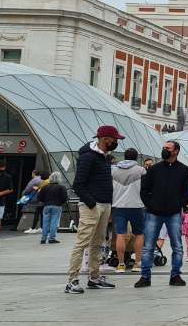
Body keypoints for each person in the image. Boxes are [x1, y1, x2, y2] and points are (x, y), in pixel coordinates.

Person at [65, 126, 123, 294]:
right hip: (92, 205)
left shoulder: (104, 157)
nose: (116, 142)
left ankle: (94, 277)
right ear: (105, 139)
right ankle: (72, 280)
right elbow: (78, 184)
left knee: (98, 243)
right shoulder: (88, 157)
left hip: (104, 204)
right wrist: (91, 203)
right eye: (115, 139)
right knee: (82, 243)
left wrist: (108, 204)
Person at [135, 139, 188, 288]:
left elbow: (187, 191)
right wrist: (150, 204)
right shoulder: (154, 169)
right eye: (164, 147)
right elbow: (144, 189)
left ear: (176, 151)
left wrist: (180, 204)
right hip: (153, 213)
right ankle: (145, 276)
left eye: (168, 148)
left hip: (174, 213)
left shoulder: (184, 170)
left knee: (177, 246)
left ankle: (175, 275)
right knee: (148, 246)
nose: (164, 150)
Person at [110, 148, 146, 273]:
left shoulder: (113, 170)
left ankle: (121, 264)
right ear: (136, 157)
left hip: (119, 206)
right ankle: (137, 263)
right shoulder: (141, 170)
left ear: (124, 157)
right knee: (139, 234)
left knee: (120, 234)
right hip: (137, 205)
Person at [38, 173, 68, 244]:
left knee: (45, 222)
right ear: (59, 179)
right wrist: (61, 202)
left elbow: (40, 197)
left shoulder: (45, 187)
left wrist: (45, 201)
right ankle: (52, 238)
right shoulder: (61, 187)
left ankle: (43, 238)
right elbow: (64, 198)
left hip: (46, 206)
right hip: (57, 206)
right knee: (54, 222)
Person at [20, 169, 44, 234]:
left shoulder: (34, 180)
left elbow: (28, 189)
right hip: (43, 198)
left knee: (37, 212)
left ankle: (33, 228)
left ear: (33, 173)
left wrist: (23, 194)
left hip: (36, 198)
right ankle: (41, 227)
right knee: (41, 213)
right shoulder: (42, 179)